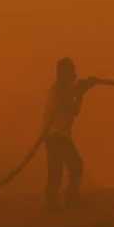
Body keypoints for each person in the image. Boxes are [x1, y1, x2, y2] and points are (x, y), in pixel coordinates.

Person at [42, 57, 101, 212]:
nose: (74, 74)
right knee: (71, 167)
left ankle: (58, 202)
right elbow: (71, 107)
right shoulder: (59, 90)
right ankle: (67, 201)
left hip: (58, 136)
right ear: (64, 73)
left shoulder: (65, 89)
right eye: (71, 71)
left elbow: (74, 111)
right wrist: (81, 91)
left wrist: (81, 92)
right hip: (56, 136)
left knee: (60, 170)